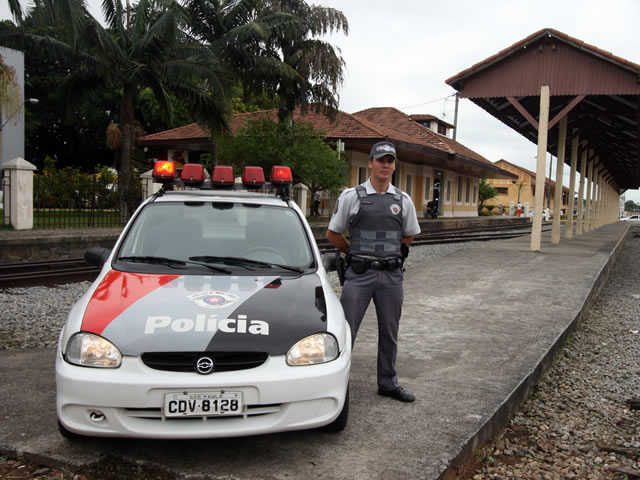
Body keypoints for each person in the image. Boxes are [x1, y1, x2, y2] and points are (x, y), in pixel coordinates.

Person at [326, 141, 421, 403]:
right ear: (370, 163)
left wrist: (388, 255)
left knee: (390, 332)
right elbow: (333, 234)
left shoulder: (403, 200)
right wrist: (354, 253)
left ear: (394, 166)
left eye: (390, 161)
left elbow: (408, 236)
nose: (385, 165)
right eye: (381, 160)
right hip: (359, 275)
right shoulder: (351, 196)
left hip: (391, 277)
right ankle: (337, 385)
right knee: (346, 332)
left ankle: (388, 383)